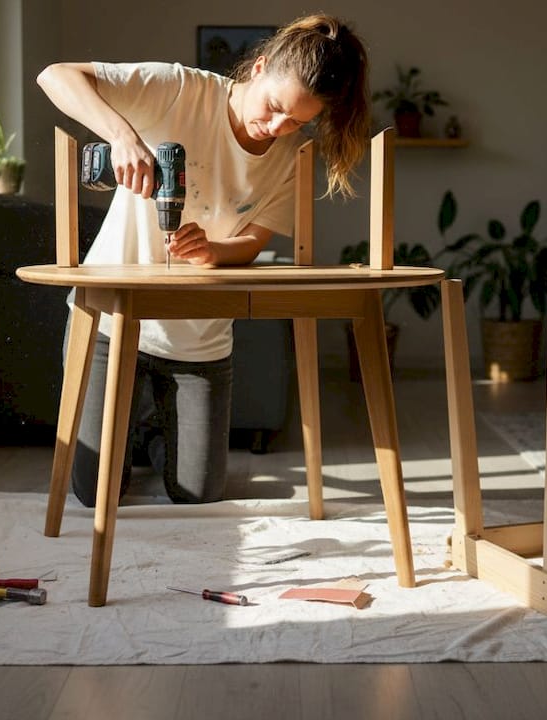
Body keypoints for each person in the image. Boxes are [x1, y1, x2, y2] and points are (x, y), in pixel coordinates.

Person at [36, 13, 371, 507]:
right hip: (112, 322)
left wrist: (214, 251)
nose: (277, 128)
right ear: (258, 68)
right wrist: (122, 136)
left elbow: (253, 243)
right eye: (275, 107)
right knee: (94, 491)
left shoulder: (290, 156)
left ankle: (151, 432)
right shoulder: (179, 90)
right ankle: (131, 430)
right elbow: (55, 76)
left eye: (298, 121)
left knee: (199, 494)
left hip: (199, 338)